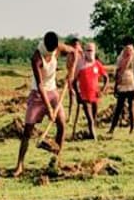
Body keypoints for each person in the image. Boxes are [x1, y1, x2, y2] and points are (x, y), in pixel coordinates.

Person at [13, 32, 77, 177]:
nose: (53, 52)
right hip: (38, 94)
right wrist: (49, 108)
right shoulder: (36, 57)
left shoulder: (58, 48)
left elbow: (74, 51)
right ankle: (20, 165)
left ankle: (56, 160)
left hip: (53, 92)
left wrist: (71, 71)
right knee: (27, 131)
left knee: (62, 123)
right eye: (50, 50)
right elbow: (40, 85)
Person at [107, 37, 134, 135]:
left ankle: (132, 128)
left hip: (131, 86)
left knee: (131, 108)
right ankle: (112, 129)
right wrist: (115, 86)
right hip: (122, 85)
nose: (127, 50)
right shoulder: (120, 58)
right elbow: (117, 73)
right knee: (118, 108)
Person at [74, 42, 109, 139]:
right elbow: (74, 81)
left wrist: (102, 90)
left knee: (93, 118)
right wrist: (78, 94)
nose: (89, 53)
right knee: (90, 119)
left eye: (91, 50)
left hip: (95, 96)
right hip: (84, 97)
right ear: (84, 52)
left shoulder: (97, 64)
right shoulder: (80, 64)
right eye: (87, 50)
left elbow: (106, 78)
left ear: (94, 51)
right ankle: (94, 139)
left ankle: (90, 134)